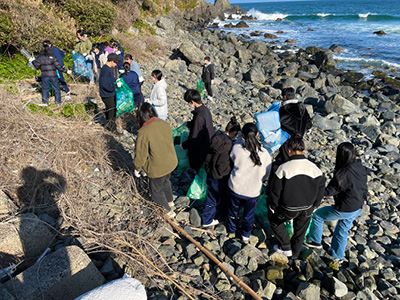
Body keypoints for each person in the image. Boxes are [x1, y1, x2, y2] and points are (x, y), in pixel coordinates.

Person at [305, 142, 368, 261]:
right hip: (358, 206)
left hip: (346, 208)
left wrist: (314, 190)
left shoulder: (343, 173)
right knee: (343, 229)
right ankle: (337, 255)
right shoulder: (360, 166)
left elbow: (329, 191)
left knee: (318, 216)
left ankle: (315, 241)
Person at [268, 137, 325, 260]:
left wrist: (273, 207)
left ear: (289, 150)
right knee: (300, 231)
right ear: (304, 150)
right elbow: (321, 191)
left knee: (275, 221)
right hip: (307, 207)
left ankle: (285, 246)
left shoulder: (283, 168)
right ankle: (295, 254)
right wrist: (315, 205)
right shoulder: (316, 169)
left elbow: (275, 192)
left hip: (288, 208)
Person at [227, 123, 271, 243]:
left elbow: (232, 156)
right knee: (249, 214)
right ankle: (245, 235)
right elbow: (266, 174)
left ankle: (232, 230)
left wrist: (240, 138)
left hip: (235, 187)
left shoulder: (237, 149)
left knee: (233, 210)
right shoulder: (265, 154)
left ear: (243, 135)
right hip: (253, 191)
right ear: (257, 134)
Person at [133, 103, 178, 218]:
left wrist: (137, 168)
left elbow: (141, 154)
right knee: (166, 181)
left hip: (158, 167)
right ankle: (170, 201)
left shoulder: (144, 132)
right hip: (171, 161)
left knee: (156, 190)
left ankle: (168, 211)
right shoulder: (164, 124)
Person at [202, 117, 241, 227]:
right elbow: (224, 164)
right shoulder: (228, 145)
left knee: (211, 197)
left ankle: (207, 219)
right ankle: (221, 217)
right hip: (221, 176)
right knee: (223, 198)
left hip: (210, 173)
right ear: (234, 132)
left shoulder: (215, 137)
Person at [277, 86, 312, 163]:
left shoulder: (283, 109)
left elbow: (279, 123)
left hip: (287, 141)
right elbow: (309, 123)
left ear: (285, 97)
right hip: (300, 141)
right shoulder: (302, 107)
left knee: (285, 161)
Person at [181, 89, 213, 173]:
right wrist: (189, 124)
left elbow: (195, 139)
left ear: (192, 101)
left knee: (197, 167)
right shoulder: (205, 110)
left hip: (201, 149)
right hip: (208, 142)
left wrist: (184, 145)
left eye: (189, 102)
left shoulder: (199, 117)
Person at [99, 53, 121, 132]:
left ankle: (109, 126)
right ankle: (112, 129)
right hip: (107, 95)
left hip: (109, 94)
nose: (116, 64)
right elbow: (105, 85)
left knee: (111, 110)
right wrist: (115, 86)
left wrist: (115, 81)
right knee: (111, 112)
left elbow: (109, 81)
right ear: (112, 61)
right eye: (116, 62)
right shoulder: (105, 70)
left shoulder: (108, 69)